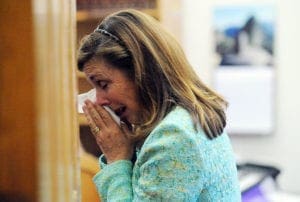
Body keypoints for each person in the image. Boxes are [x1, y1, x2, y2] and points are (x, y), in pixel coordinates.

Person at [78, 9, 241, 201]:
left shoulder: (174, 135)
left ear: (140, 71)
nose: (98, 100)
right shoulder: (185, 119)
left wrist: (116, 158)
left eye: (103, 84)